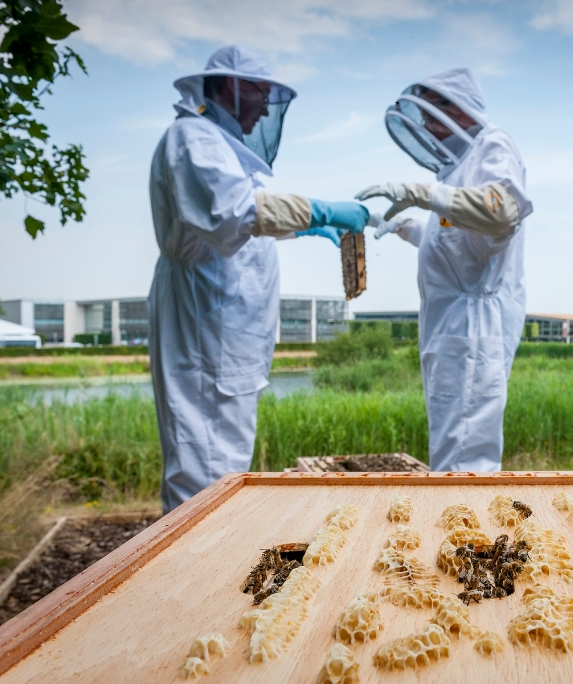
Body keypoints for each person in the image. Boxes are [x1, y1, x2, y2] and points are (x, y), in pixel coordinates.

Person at [149, 45, 369, 513]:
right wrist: (319, 209)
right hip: (206, 336)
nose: (266, 108)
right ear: (231, 87)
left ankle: (206, 573)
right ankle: (192, 581)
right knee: (204, 477)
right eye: (260, 94)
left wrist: (306, 225)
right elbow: (235, 214)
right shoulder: (193, 139)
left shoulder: (215, 148)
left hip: (222, 339)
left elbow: (243, 226)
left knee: (222, 469)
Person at [357, 68, 532, 472]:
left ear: (460, 108)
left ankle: (468, 536)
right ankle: (457, 532)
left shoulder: (494, 146)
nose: (431, 127)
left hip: (471, 329)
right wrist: (402, 227)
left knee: (466, 458)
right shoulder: (460, 166)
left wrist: (423, 194)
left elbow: (500, 211)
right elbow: (459, 245)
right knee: (451, 448)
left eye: (435, 113)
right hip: (451, 326)